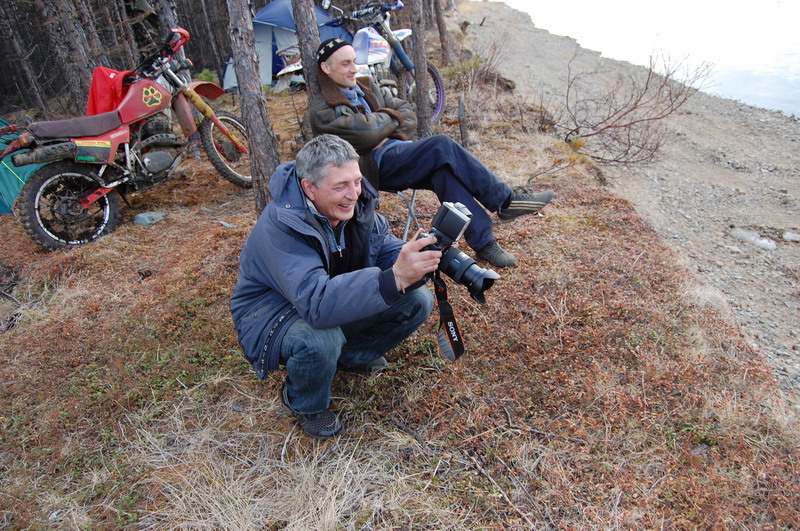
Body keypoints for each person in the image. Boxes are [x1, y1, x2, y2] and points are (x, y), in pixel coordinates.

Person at [230, 134, 440, 439]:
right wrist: (394, 277)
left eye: (357, 181)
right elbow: (316, 303)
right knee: (320, 339)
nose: (353, 194)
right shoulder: (281, 225)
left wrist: (421, 259)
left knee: (417, 299)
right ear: (309, 188)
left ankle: (350, 356)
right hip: (272, 314)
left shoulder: (358, 208)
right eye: (340, 186)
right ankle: (304, 402)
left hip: (323, 298)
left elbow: (383, 249)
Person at [308, 38, 554, 268]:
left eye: (354, 61)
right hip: (373, 169)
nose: (354, 68)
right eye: (346, 64)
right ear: (326, 68)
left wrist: (381, 124)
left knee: (443, 173)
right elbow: (366, 135)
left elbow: (406, 113)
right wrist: (388, 120)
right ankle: (506, 201)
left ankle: (484, 242)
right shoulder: (324, 110)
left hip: (398, 153)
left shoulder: (365, 87)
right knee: (441, 145)